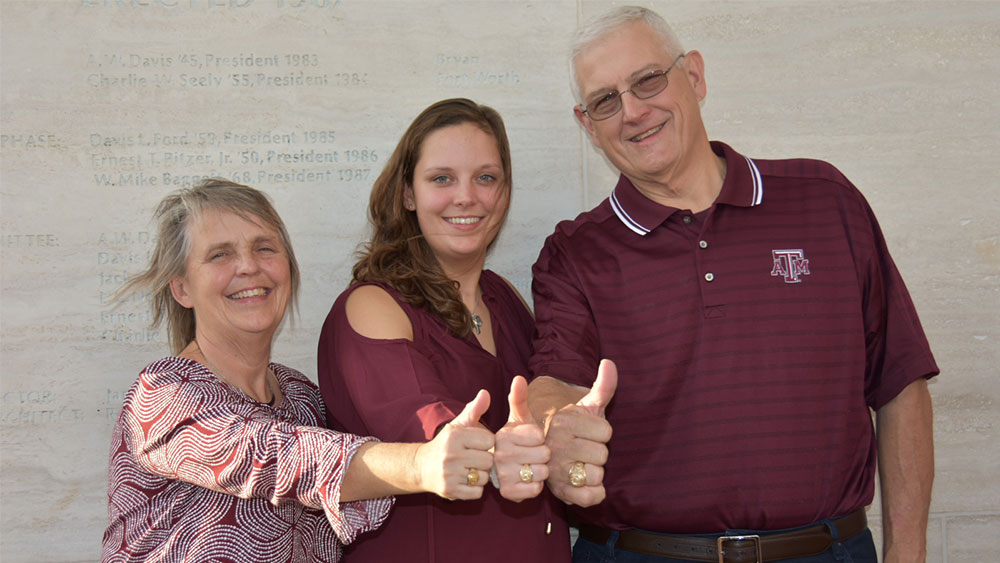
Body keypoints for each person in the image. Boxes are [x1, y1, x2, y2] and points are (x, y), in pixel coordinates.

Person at [527, 6, 938, 563]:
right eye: (606, 100)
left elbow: (900, 381)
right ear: (588, 125)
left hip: (828, 551)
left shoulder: (826, 199)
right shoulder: (575, 252)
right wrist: (555, 427)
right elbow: (558, 383)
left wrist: (908, 553)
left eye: (648, 80)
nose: (633, 111)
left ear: (693, 76)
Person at [102, 179, 498, 563]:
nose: (249, 267)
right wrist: (422, 464)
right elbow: (273, 456)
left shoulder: (301, 395)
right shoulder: (163, 390)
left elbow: (352, 489)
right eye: (220, 254)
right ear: (182, 289)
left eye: (265, 248)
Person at [317, 98, 571, 562]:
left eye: (486, 178)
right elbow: (435, 437)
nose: (466, 196)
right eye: (441, 179)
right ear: (408, 195)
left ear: (505, 192)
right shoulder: (373, 304)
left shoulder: (504, 298)